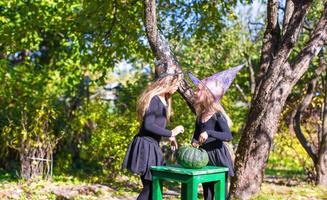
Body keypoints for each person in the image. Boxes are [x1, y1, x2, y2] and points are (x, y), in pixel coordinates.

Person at [122, 64, 184, 200]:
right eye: (176, 84)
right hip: (145, 146)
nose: (177, 88)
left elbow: (156, 126)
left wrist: (170, 137)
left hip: (152, 146)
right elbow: (148, 125)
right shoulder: (155, 99)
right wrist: (171, 133)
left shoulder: (164, 101)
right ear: (167, 83)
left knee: (154, 187)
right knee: (150, 187)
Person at [188, 64, 244, 200]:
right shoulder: (200, 115)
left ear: (208, 94)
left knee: (220, 195)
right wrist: (194, 142)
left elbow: (228, 136)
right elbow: (196, 136)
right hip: (205, 158)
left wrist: (209, 133)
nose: (194, 92)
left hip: (219, 158)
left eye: (198, 90)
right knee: (207, 194)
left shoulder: (217, 115)